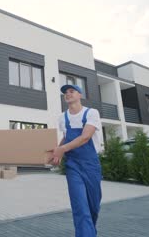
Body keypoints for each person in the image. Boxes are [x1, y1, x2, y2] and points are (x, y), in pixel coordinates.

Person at [49, 84, 103, 237]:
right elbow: (66, 138)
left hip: (91, 164)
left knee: (93, 207)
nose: (68, 94)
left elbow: (85, 137)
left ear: (80, 95)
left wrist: (62, 149)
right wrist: (57, 153)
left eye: (72, 91)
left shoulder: (91, 113)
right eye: (65, 93)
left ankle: (90, 231)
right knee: (80, 207)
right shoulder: (62, 117)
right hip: (73, 165)